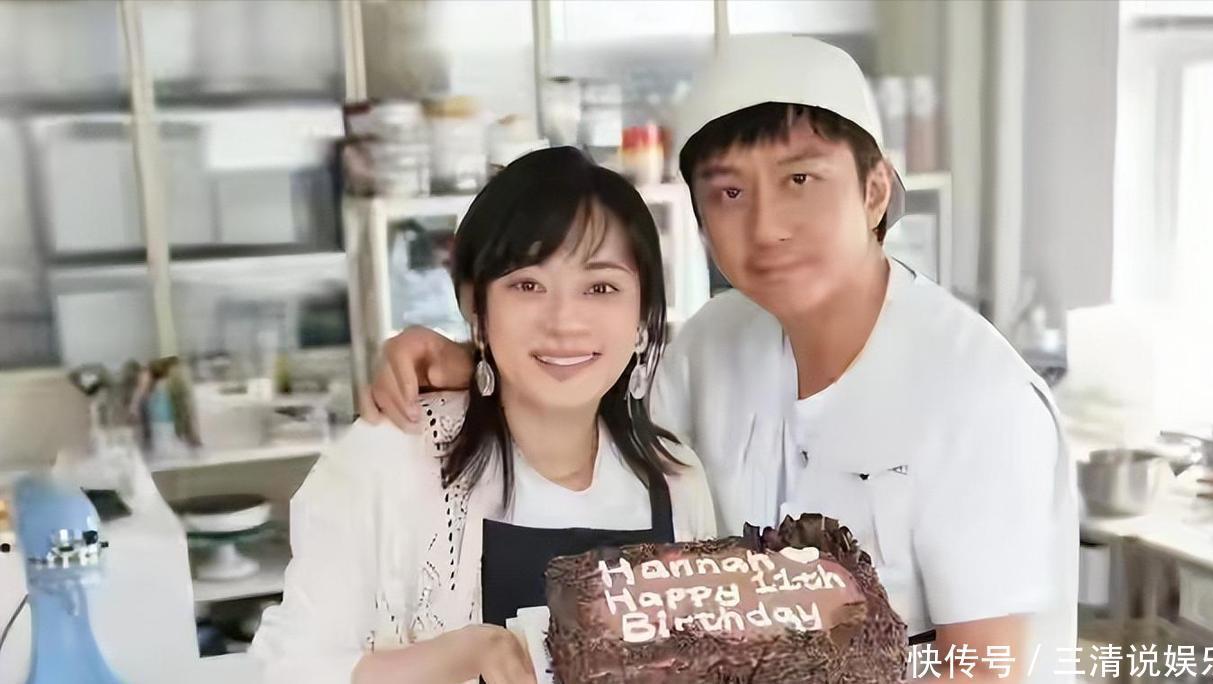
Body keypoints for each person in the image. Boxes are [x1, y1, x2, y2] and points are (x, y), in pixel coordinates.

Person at [363, 36, 1077, 682]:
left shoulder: (976, 397)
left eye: (800, 180)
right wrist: (478, 360)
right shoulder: (712, 343)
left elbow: (988, 668)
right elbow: (588, 423)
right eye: (730, 193)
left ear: (873, 191)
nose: (766, 226)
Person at [250, 146, 717, 684]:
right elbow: (284, 669)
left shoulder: (677, 479)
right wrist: (459, 657)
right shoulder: (392, 454)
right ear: (478, 310)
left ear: (642, 315)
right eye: (527, 285)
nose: (565, 322)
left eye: (600, 287)